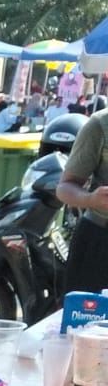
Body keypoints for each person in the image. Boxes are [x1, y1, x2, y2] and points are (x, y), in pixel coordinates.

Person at [58, 106, 108, 295]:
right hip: (100, 242)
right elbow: (65, 188)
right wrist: (90, 199)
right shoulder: (100, 124)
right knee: (86, 321)